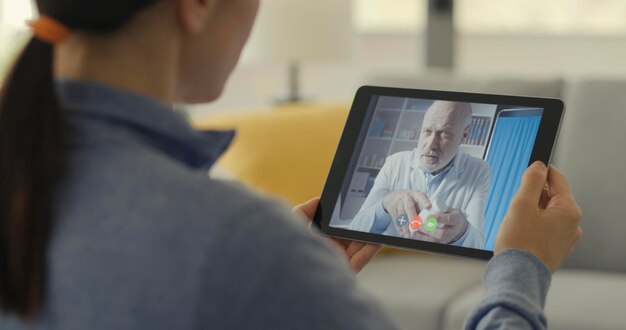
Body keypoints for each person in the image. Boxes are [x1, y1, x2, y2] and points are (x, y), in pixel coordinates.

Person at [0, 0, 581, 329]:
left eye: (444, 132)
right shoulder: (240, 240)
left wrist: (299, 285)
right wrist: (522, 265)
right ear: (197, 7)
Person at [350, 101, 491, 248]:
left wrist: (462, 231)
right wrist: (384, 206)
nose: (431, 144)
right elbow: (356, 228)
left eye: (445, 133)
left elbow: (476, 245)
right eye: (427, 131)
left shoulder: (478, 171)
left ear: (465, 135)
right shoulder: (395, 162)